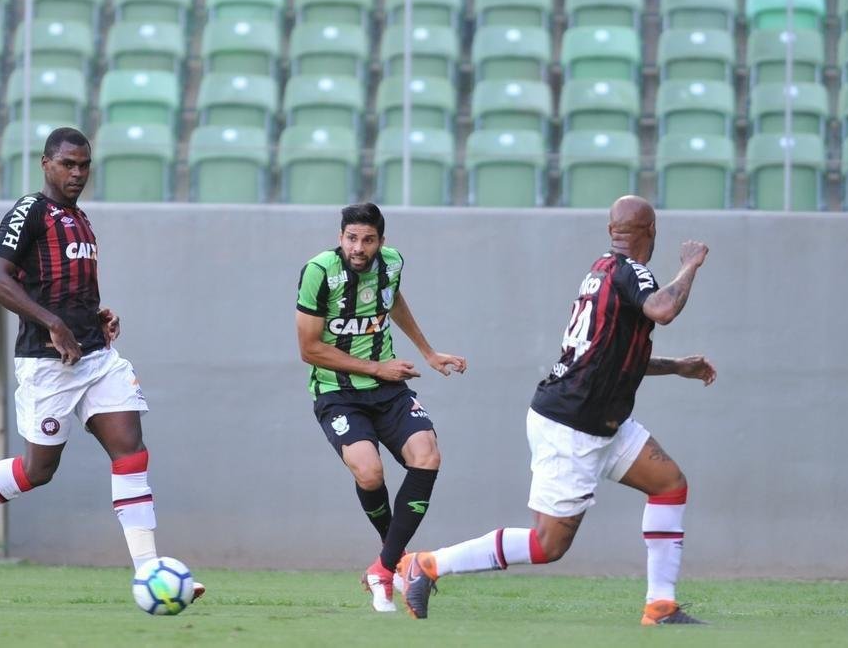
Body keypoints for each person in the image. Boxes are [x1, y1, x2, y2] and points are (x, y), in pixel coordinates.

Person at [0, 127, 203, 602]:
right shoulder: (31, 210)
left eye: (84, 165)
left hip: (95, 358)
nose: (78, 173)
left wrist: (97, 317)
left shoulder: (81, 219)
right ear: (46, 164)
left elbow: (67, 288)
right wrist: (53, 324)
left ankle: (150, 572)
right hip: (48, 363)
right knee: (37, 470)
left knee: (131, 450)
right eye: (68, 164)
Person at [398, 195, 716, 626]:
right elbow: (663, 309)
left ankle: (661, 605)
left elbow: (608, 358)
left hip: (603, 422)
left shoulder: (600, 273)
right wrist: (691, 264)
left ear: (611, 231)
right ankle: (428, 564)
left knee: (669, 484)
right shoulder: (632, 272)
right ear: (652, 233)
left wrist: (676, 367)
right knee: (548, 546)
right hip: (572, 425)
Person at [295, 203, 467, 613]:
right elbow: (309, 348)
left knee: (427, 456)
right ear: (340, 238)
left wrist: (426, 352)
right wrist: (377, 368)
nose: (359, 248)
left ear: (381, 242)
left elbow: (392, 301)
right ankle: (400, 563)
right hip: (338, 393)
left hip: (387, 388)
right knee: (370, 472)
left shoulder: (391, 263)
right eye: (352, 238)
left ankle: (384, 567)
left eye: (368, 240)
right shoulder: (318, 272)